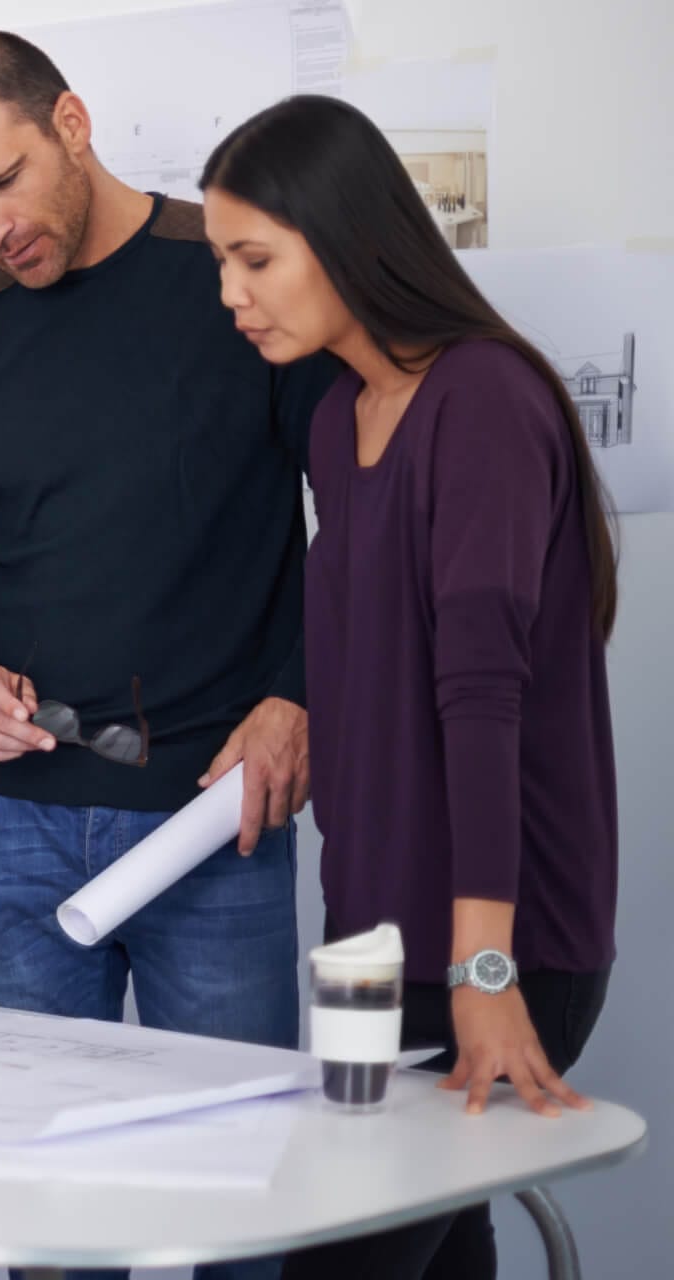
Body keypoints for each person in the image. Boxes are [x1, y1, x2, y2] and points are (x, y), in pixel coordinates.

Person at [0, 35, 340, 1279]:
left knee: (244, 1208)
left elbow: (350, 524)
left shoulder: (237, 277)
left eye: (5, 181)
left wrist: (298, 692)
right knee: (54, 1225)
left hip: (216, 821)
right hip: (18, 837)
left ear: (74, 123)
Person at [201, 94, 620, 1280]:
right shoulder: (339, 423)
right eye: (224, 262)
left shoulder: (482, 400)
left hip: (494, 940)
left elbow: (481, 702)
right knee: (437, 1259)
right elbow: (371, 661)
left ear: (345, 236)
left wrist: (481, 973)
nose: (231, 294)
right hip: (369, 935)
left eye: (255, 259)